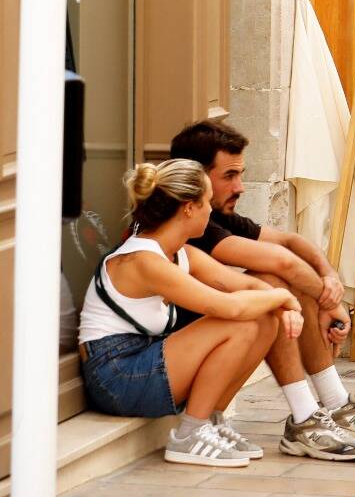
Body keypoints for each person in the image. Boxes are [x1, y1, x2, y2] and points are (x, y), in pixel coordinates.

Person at [170, 121, 355, 460]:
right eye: (229, 176)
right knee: (274, 287)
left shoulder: (213, 214)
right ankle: (306, 417)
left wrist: (328, 278)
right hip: (176, 353)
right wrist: (333, 306)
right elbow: (283, 263)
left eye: (241, 174)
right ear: (198, 179)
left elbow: (292, 242)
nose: (240, 187)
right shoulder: (192, 222)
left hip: (205, 343)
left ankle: (332, 404)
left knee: (281, 287)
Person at [79, 160, 302, 468]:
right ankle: (189, 436)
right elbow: (230, 307)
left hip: (143, 358)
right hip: (115, 375)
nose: (211, 210)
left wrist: (282, 304)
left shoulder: (181, 254)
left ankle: (209, 421)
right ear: (188, 208)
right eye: (206, 202)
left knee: (262, 319)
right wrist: (286, 297)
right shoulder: (144, 260)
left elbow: (249, 285)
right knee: (239, 323)